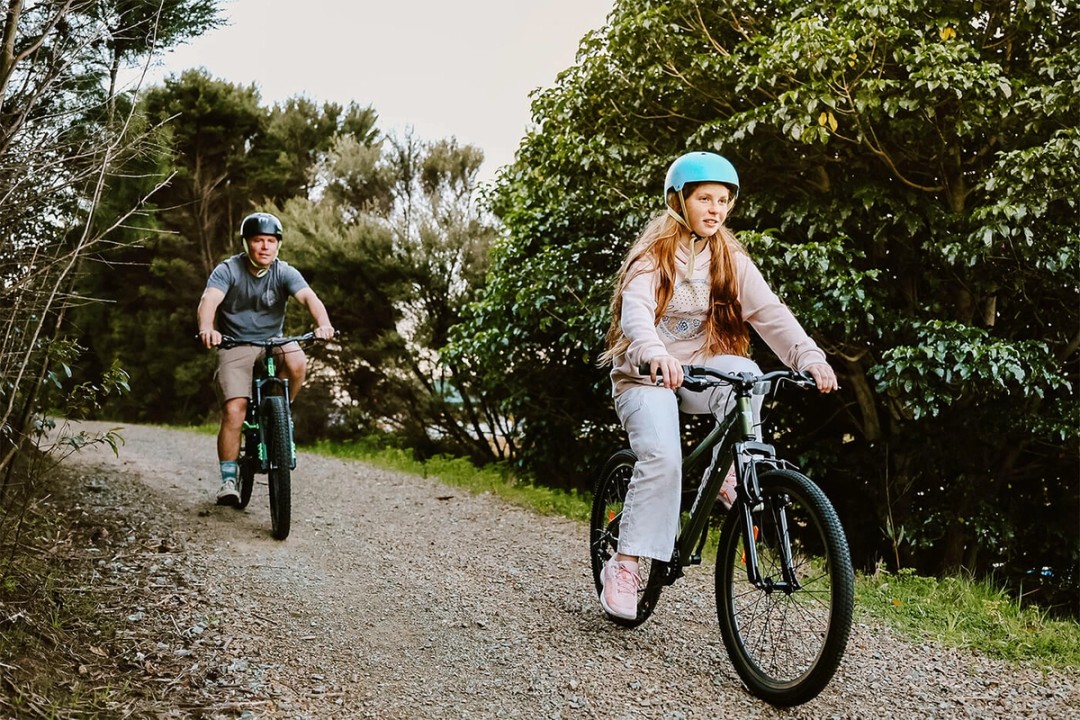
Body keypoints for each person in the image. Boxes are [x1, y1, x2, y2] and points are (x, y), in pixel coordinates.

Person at [597, 151, 838, 620]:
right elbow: (636, 315)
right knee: (663, 457)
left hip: (698, 369)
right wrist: (653, 353)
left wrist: (809, 356)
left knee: (747, 375)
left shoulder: (729, 257)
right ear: (678, 200)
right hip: (644, 375)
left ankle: (731, 470)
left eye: (724, 201)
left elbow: (770, 313)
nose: (716, 209)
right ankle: (625, 565)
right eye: (705, 198)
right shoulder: (652, 258)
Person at [196, 212, 335, 506]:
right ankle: (229, 480)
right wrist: (208, 329)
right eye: (258, 240)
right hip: (236, 343)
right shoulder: (228, 270)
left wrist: (323, 324)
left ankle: (279, 415)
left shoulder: (285, 272)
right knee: (235, 410)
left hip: (275, 340)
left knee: (298, 362)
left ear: (278, 245)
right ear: (246, 243)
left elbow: (310, 298)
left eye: (271, 241)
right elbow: (209, 300)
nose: (265, 247)